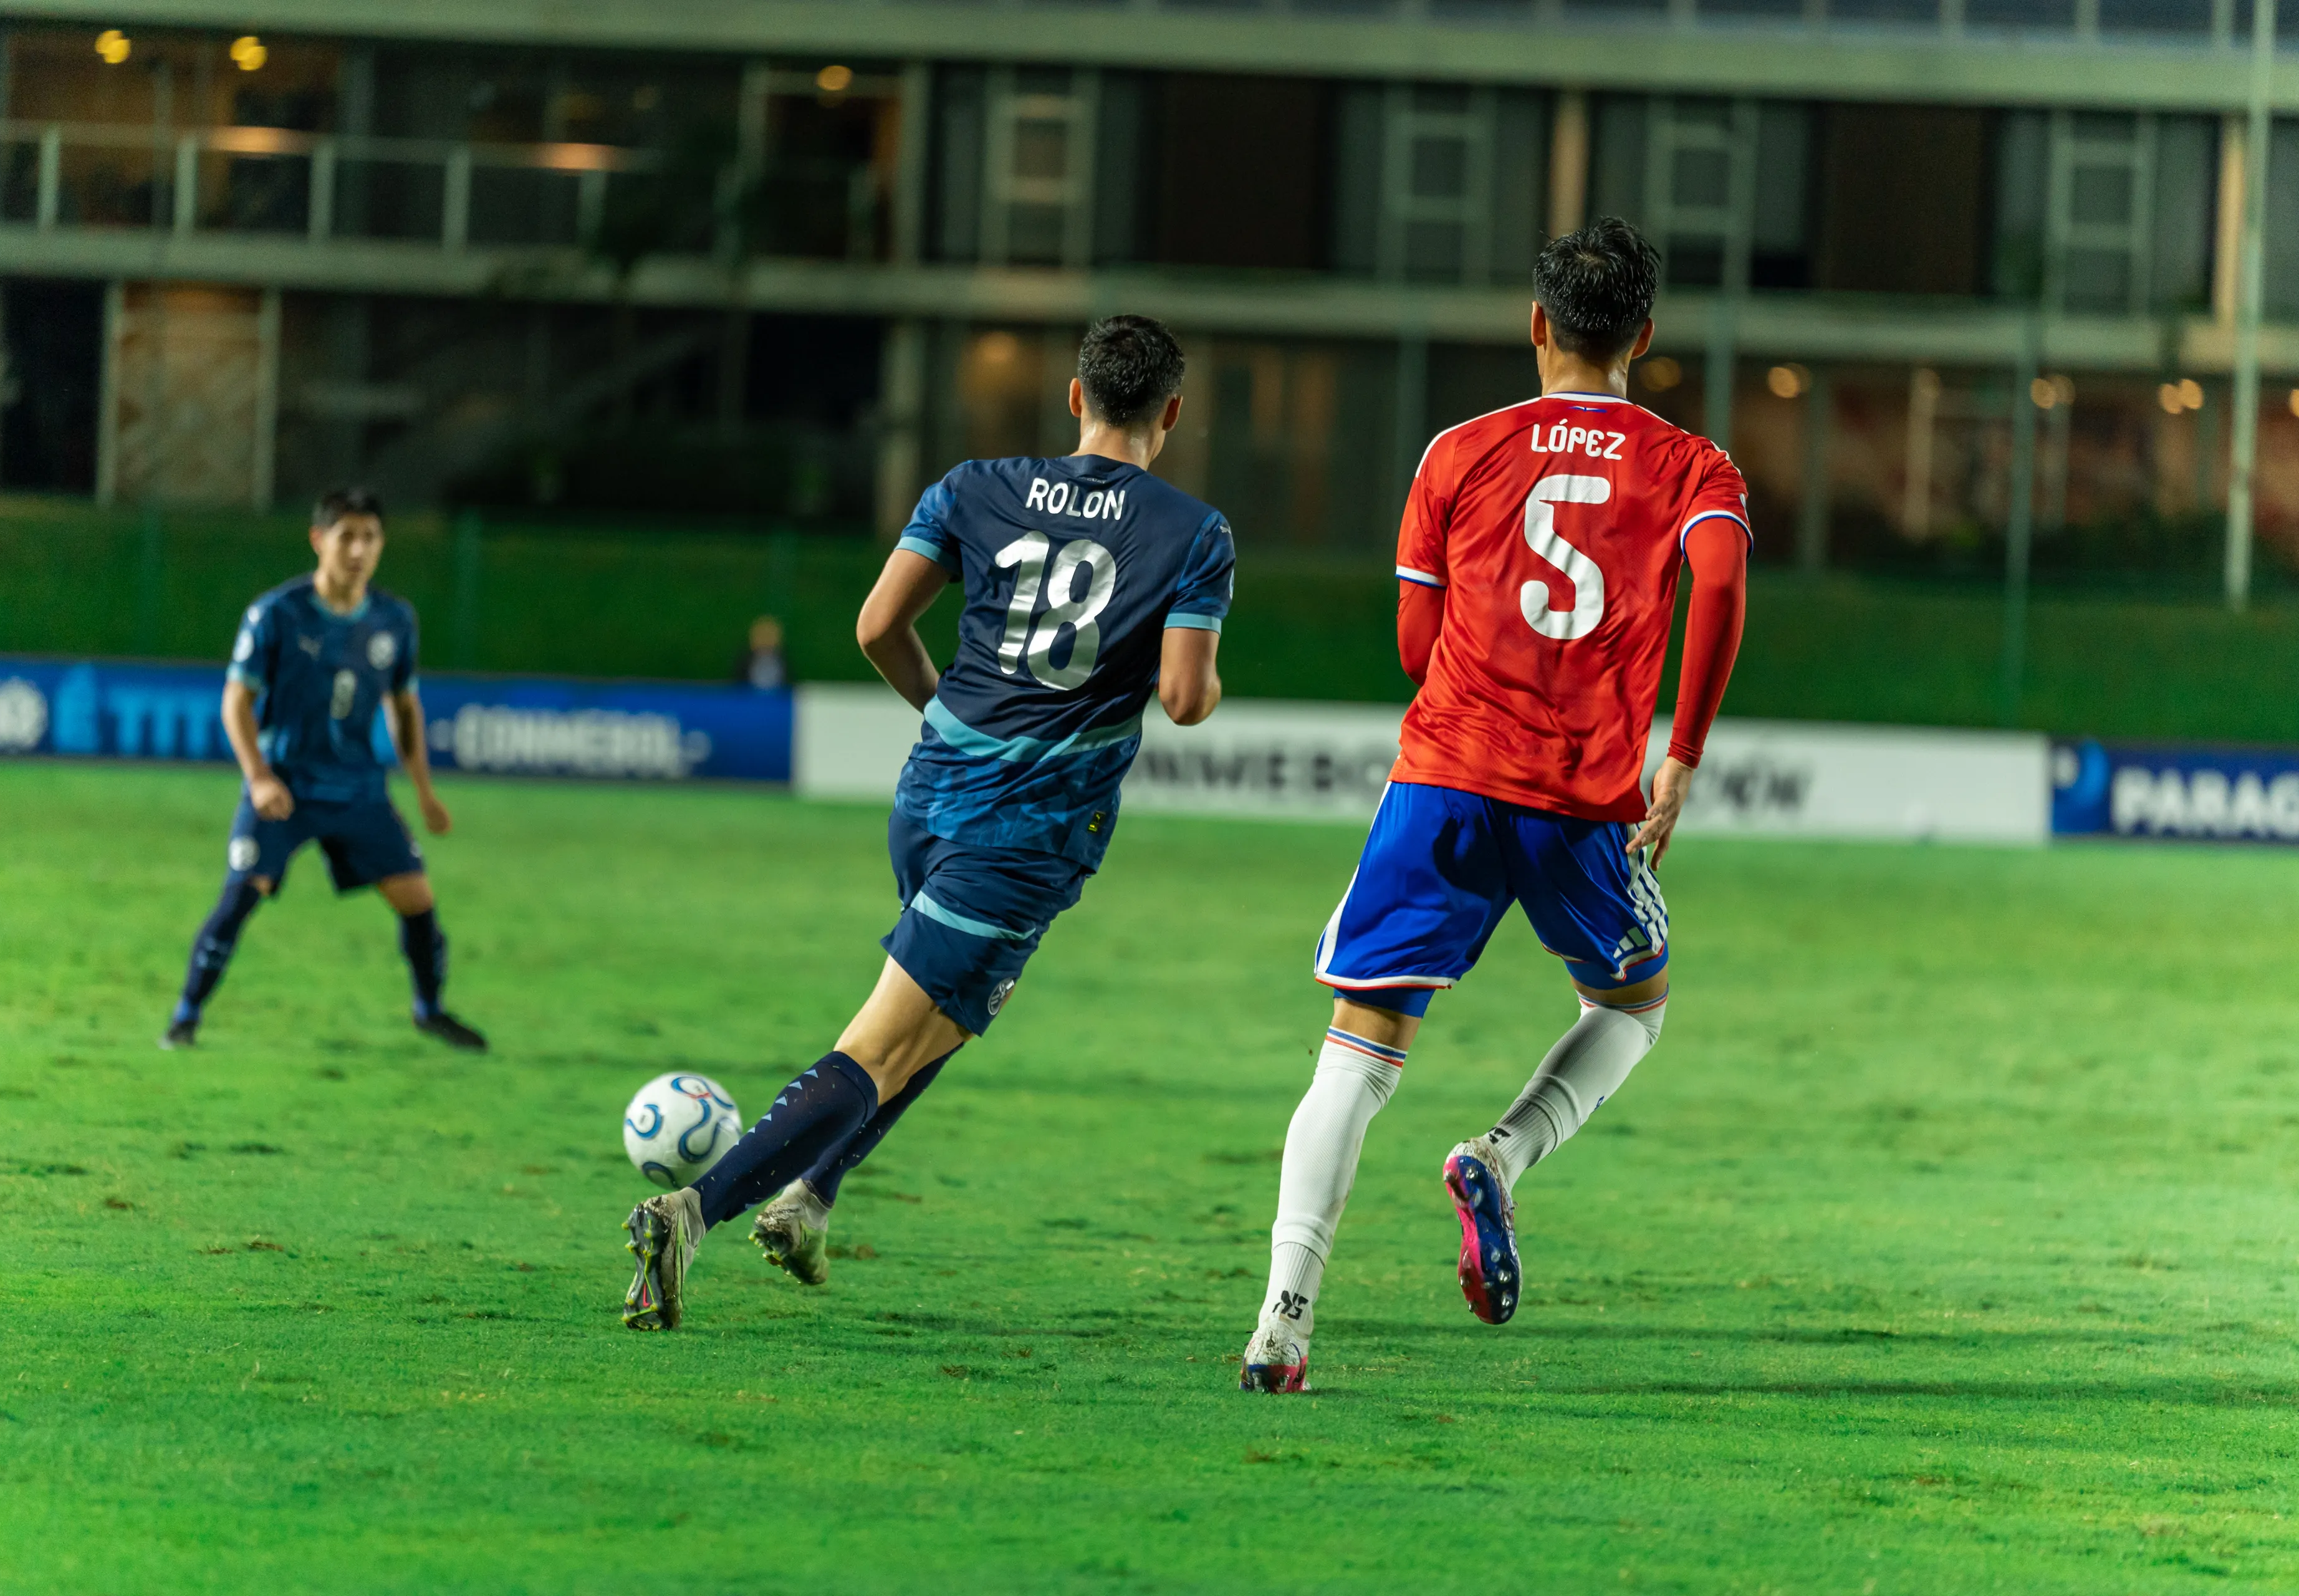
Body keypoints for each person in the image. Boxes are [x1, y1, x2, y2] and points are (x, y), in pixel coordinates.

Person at [621, 315, 1232, 1330]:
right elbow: (1184, 696)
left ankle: (812, 1194)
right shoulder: (1193, 532)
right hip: (1024, 836)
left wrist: (948, 714)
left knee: (935, 1020)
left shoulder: (971, 485)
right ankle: (691, 1212)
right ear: (1172, 413)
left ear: (1075, 397)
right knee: (881, 1045)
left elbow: (876, 627)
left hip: (928, 798)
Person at [1238, 218, 1750, 1392]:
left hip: (1445, 784)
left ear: (1537, 327)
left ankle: (1284, 1319)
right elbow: (1718, 581)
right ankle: (1502, 1154)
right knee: (1633, 1001)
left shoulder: (1457, 451)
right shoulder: (1692, 467)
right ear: (1646, 338)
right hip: (1584, 800)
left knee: (1357, 1055)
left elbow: (1418, 646)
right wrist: (1683, 753)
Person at [160, 489, 488, 1054]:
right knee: (243, 894)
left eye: (371, 538)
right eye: (347, 537)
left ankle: (429, 1010)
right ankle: (185, 1017)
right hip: (285, 787)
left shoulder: (394, 620)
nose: (359, 549)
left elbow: (404, 709)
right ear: (319, 541)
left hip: (359, 790)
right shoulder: (276, 615)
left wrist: (426, 793)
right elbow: (236, 702)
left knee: (418, 901)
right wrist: (260, 776)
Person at [734, 615, 790, 690]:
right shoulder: (745, 661)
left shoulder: (783, 661)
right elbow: (737, 686)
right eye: (762, 635)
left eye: (769, 635)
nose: (765, 640)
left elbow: (788, 686)